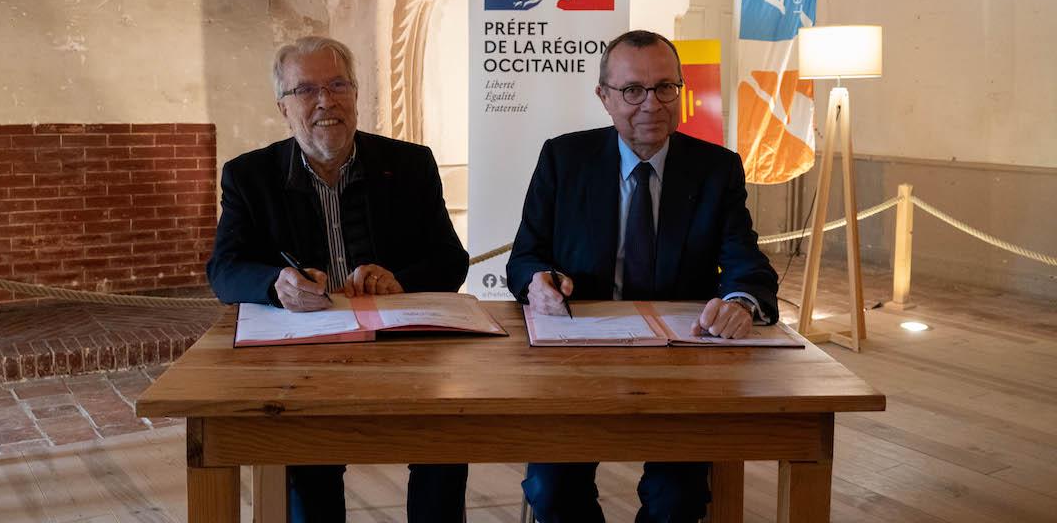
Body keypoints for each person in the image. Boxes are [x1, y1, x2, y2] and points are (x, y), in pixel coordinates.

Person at [506, 29, 779, 523]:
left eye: (665, 88)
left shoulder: (715, 168)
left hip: (681, 364)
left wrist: (740, 302)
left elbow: (747, 264)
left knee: (677, 499)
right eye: (632, 90)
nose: (651, 104)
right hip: (579, 357)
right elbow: (525, 256)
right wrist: (538, 280)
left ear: (680, 91)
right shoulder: (564, 159)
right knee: (551, 490)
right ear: (604, 97)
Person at [207, 36, 469, 523]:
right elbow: (224, 271)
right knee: (310, 475)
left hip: (404, 355)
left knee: (445, 447)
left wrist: (400, 279)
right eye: (306, 90)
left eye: (337, 85)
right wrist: (277, 283)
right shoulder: (249, 176)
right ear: (283, 108)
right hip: (305, 359)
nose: (325, 101)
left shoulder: (410, 164)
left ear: (355, 93)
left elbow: (451, 260)